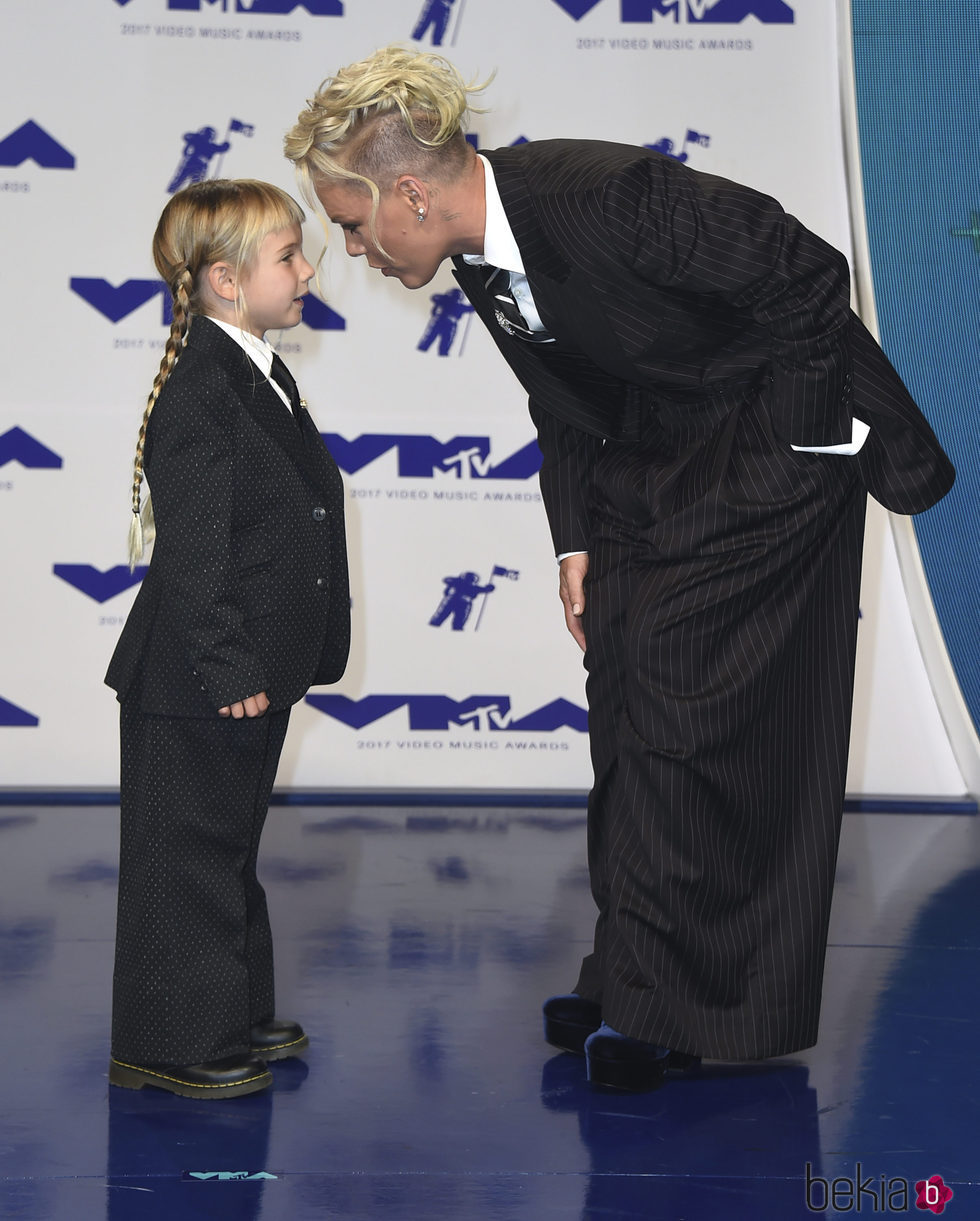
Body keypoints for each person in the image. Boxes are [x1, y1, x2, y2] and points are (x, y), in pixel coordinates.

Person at [283, 47, 954, 1091]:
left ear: (406, 190)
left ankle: (689, 1014)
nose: (351, 247)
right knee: (629, 697)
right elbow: (564, 406)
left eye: (351, 221)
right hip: (652, 463)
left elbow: (807, 275)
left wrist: (803, 443)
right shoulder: (476, 259)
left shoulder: (605, 194)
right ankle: (634, 976)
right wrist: (575, 540)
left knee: (694, 716)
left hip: (763, 451)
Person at [105, 179, 350, 1098]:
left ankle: (230, 1007)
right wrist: (225, 663)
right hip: (197, 678)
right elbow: (197, 557)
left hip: (241, 669)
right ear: (224, 281)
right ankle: (169, 1040)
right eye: (290, 254)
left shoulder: (256, 370)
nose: (309, 267)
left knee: (224, 850)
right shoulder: (203, 395)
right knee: (188, 860)